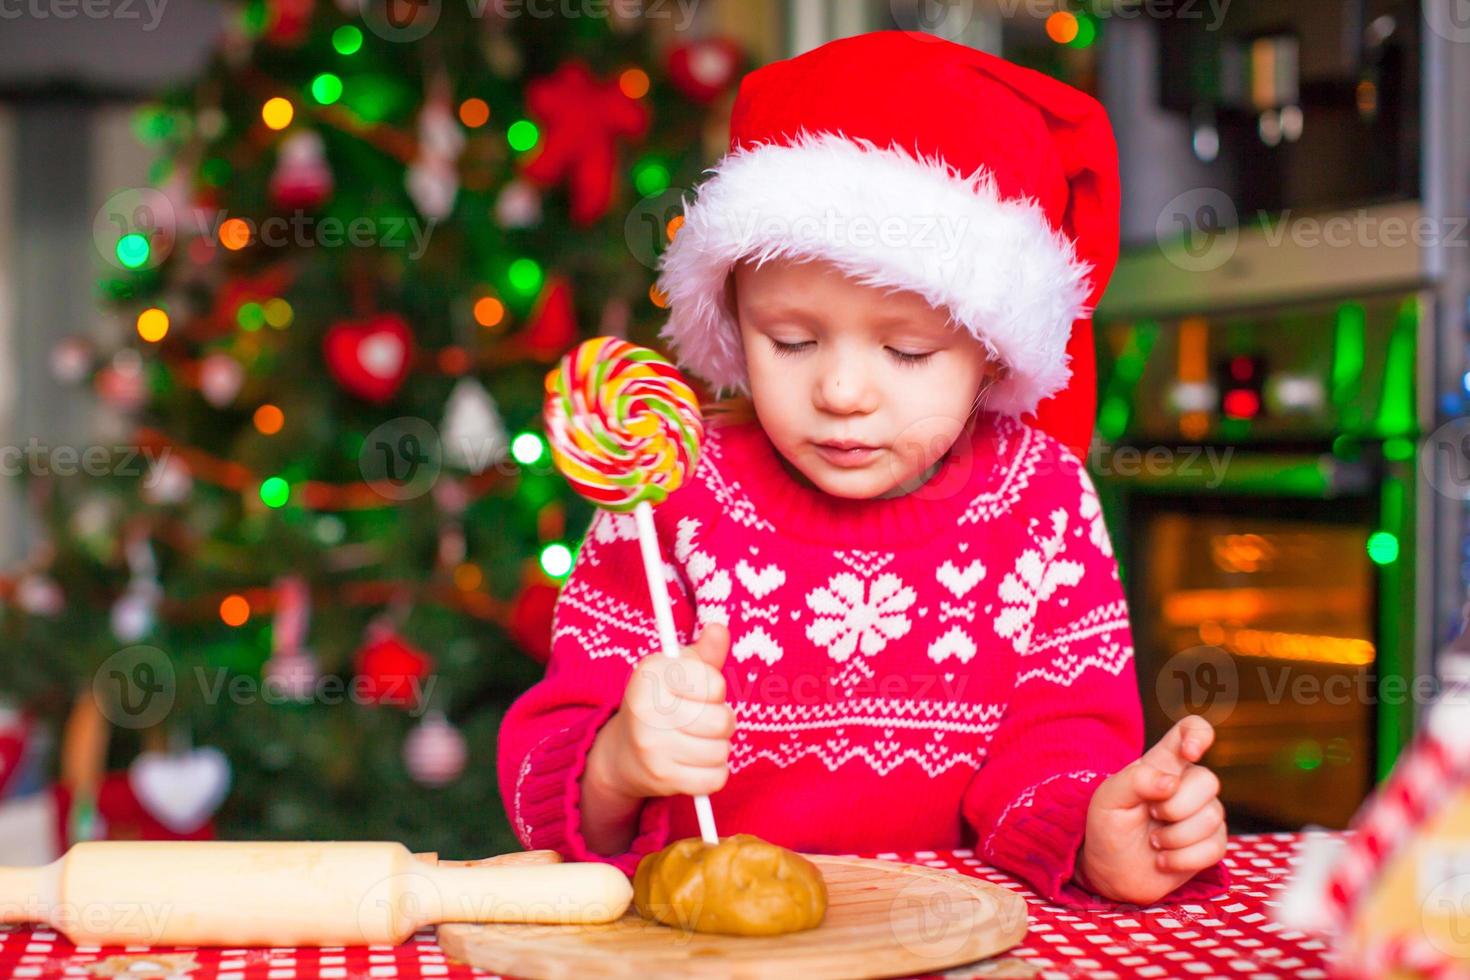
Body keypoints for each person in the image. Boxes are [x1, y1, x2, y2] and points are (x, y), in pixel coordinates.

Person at [497, 30, 1230, 908]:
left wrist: (1096, 832)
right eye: (792, 340)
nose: (842, 391)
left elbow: (1061, 743)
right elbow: (551, 771)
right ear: (732, 317)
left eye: (909, 350)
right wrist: (616, 765)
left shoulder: (1042, 504)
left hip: (953, 948)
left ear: (993, 355)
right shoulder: (669, 491)